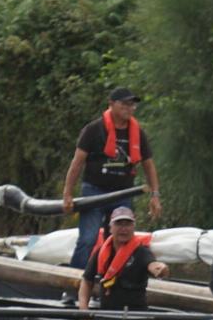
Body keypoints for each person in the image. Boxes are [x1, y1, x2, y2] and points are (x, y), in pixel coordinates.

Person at [61, 87, 163, 269]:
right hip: (94, 192)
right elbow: (77, 163)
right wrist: (67, 193)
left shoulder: (137, 133)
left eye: (132, 105)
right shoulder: (94, 129)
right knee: (88, 238)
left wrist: (155, 195)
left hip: (122, 194)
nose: (129, 108)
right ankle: (73, 285)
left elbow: (149, 165)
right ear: (111, 104)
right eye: (124, 104)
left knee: (120, 240)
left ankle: (112, 282)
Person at [75, 205, 168, 311]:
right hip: (106, 315)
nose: (123, 229)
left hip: (134, 316)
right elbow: (87, 281)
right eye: (119, 224)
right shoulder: (101, 252)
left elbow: (153, 265)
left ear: (133, 228)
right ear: (110, 228)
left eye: (128, 224)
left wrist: (161, 269)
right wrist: (83, 309)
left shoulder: (141, 252)